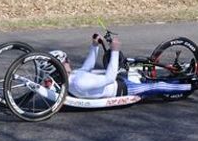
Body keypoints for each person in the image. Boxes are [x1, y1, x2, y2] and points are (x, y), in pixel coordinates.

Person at [50, 34, 195, 99]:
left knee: (133, 65)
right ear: (60, 66)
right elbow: (109, 77)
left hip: (119, 81)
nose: (69, 61)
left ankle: (180, 73)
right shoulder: (79, 82)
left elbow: (86, 68)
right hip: (125, 88)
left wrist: (94, 46)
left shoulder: (71, 79)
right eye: (66, 61)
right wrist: (114, 50)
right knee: (156, 86)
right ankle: (191, 85)